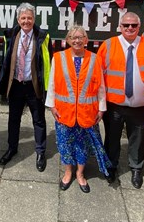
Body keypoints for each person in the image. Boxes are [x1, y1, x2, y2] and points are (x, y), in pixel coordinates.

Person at [45, 25, 110, 193]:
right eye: (73, 37)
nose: (77, 40)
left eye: (81, 37)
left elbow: (101, 87)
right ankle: (68, 173)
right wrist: (51, 106)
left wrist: (101, 109)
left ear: (86, 40)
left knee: (82, 146)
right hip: (64, 111)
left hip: (87, 112)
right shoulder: (58, 58)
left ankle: (80, 174)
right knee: (65, 144)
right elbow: (52, 83)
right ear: (68, 40)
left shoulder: (95, 59)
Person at [98, 12, 144, 188]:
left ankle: (136, 168)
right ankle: (111, 166)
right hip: (114, 105)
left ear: (139, 27)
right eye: (126, 25)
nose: (130, 28)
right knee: (111, 138)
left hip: (141, 106)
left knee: (138, 139)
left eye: (134, 25)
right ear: (120, 27)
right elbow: (99, 76)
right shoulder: (108, 45)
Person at [0, 3, 53, 171]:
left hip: (34, 86)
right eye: (23, 18)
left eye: (29, 18)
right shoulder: (11, 35)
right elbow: (8, 61)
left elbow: (48, 63)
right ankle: (12, 148)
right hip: (16, 85)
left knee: (39, 120)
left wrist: (47, 88)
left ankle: (40, 152)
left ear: (34, 19)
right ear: (18, 19)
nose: (26, 21)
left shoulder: (43, 36)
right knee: (13, 119)